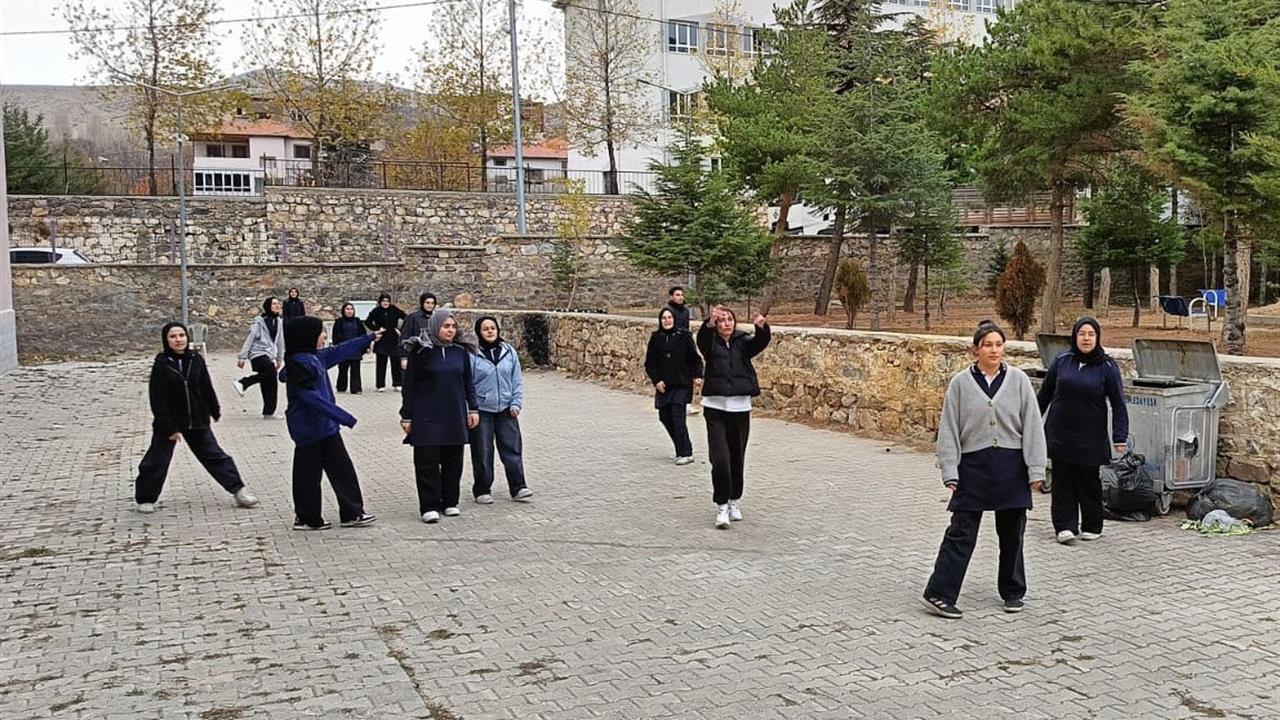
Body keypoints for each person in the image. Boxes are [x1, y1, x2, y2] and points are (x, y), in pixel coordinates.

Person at [921, 320, 1047, 619]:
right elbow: (949, 429)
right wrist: (950, 470)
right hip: (973, 468)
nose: (994, 350)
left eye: (998, 344)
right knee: (961, 532)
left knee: (1013, 534)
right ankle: (939, 593)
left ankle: (1013, 592)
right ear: (975, 349)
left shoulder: (1018, 380)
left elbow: (1033, 425)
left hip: (1011, 467)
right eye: (988, 345)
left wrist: (1036, 469)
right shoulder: (960, 384)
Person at [135, 322, 259, 514]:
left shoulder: (196, 359)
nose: (178, 340)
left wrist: (214, 409)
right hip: (169, 421)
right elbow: (157, 398)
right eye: (173, 336)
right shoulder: (162, 363)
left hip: (196, 418)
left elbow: (205, 386)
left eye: (181, 335)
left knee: (216, 456)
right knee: (156, 461)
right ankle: (146, 498)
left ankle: (238, 491)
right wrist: (169, 427)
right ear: (166, 340)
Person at [278, 316, 380, 531]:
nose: (324, 336)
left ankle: (352, 513)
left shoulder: (315, 357)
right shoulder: (300, 364)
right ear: (308, 336)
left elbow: (340, 351)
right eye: (321, 332)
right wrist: (343, 416)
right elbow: (310, 398)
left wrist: (369, 337)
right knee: (308, 475)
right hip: (308, 429)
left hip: (327, 428)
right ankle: (307, 518)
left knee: (343, 469)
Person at [1037, 317, 1129, 545]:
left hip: (1090, 436)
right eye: (1082, 334)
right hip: (1060, 433)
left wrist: (1120, 436)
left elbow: (1118, 403)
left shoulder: (1107, 367)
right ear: (1075, 336)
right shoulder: (1062, 361)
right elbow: (1044, 394)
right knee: (1062, 481)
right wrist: (1030, 423)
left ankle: (1092, 525)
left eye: (1091, 334)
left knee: (1088, 481)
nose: (1086, 339)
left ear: (1097, 338)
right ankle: (1064, 527)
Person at [400, 308, 479, 523]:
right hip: (426, 415)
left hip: (454, 414)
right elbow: (409, 385)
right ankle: (429, 505)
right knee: (427, 462)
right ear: (435, 326)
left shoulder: (460, 352)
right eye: (446, 326)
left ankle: (450, 502)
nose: (450, 330)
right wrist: (406, 415)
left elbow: (468, 382)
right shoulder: (421, 351)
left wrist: (473, 409)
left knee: (453, 461)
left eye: (453, 326)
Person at [696, 304, 770, 529]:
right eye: (722, 320)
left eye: (729, 319)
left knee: (737, 458)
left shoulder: (742, 342)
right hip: (715, 408)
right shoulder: (711, 343)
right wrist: (709, 323)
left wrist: (762, 328)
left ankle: (733, 500)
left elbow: (760, 343)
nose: (726, 323)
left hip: (739, 408)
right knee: (720, 459)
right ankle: (721, 506)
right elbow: (702, 340)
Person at [469, 316, 533, 504]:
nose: (490, 331)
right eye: (485, 329)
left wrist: (516, 403)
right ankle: (482, 489)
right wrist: (471, 408)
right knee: (483, 451)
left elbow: (516, 380)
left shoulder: (508, 351)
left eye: (493, 328)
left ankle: (518, 487)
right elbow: (468, 383)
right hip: (482, 410)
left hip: (506, 409)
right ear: (479, 332)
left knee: (512, 449)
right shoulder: (472, 353)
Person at [644, 308, 704, 465]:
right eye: (664, 318)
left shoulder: (684, 336)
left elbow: (695, 359)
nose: (667, 320)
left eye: (669, 317)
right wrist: (656, 380)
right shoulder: (656, 337)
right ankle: (681, 445)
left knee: (678, 418)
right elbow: (650, 363)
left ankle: (685, 453)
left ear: (674, 319)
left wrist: (697, 375)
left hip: (681, 384)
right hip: (663, 386)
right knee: (664, 416)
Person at [233, 296, 286, 418]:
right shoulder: (259, 321)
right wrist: (242, 357)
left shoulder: (279, 322)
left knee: (270, 381)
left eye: (278, 304)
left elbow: (280, 341)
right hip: (257, 354)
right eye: (274, 304)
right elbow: (250, 337)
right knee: (271, 372)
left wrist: (279, 358)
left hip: (269, 355)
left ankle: (269, 413)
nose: (277, 306)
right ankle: (243, 383)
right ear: (268, 306)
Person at [364, 293, 406, 392]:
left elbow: (406, 318)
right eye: (383, 301)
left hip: (393, 338)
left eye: (387, 301)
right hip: (381, 338)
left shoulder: (394, 309)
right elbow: (367, 322)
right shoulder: (376, 311)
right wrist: (376, 329)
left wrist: (400, 329)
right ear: (380, 302)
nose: (385, 303)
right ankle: (380, 385)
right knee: (381, 363)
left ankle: (397, 383)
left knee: (395, 363)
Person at [331, 302, 368, 395]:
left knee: (355, 370)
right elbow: (335, 336)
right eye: (347, 309)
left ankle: (356, 388)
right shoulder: (339, 322)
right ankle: (341, 387)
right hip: (343, 349)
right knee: (342, 369)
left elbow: (363, 335)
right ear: (343, 311)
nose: (349, 311)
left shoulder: (357, 321)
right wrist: (337, 348)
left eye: (351, 309)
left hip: (355, 349)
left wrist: (365, 347)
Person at [400, 292, 438, 370]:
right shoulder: (413, 318)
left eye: (432, 303)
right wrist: (404, 357)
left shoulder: (435, 318)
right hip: (415, 356)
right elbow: (404, 337)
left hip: (432, 357)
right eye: (427, 303)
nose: (430, 305)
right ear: (422, 303)